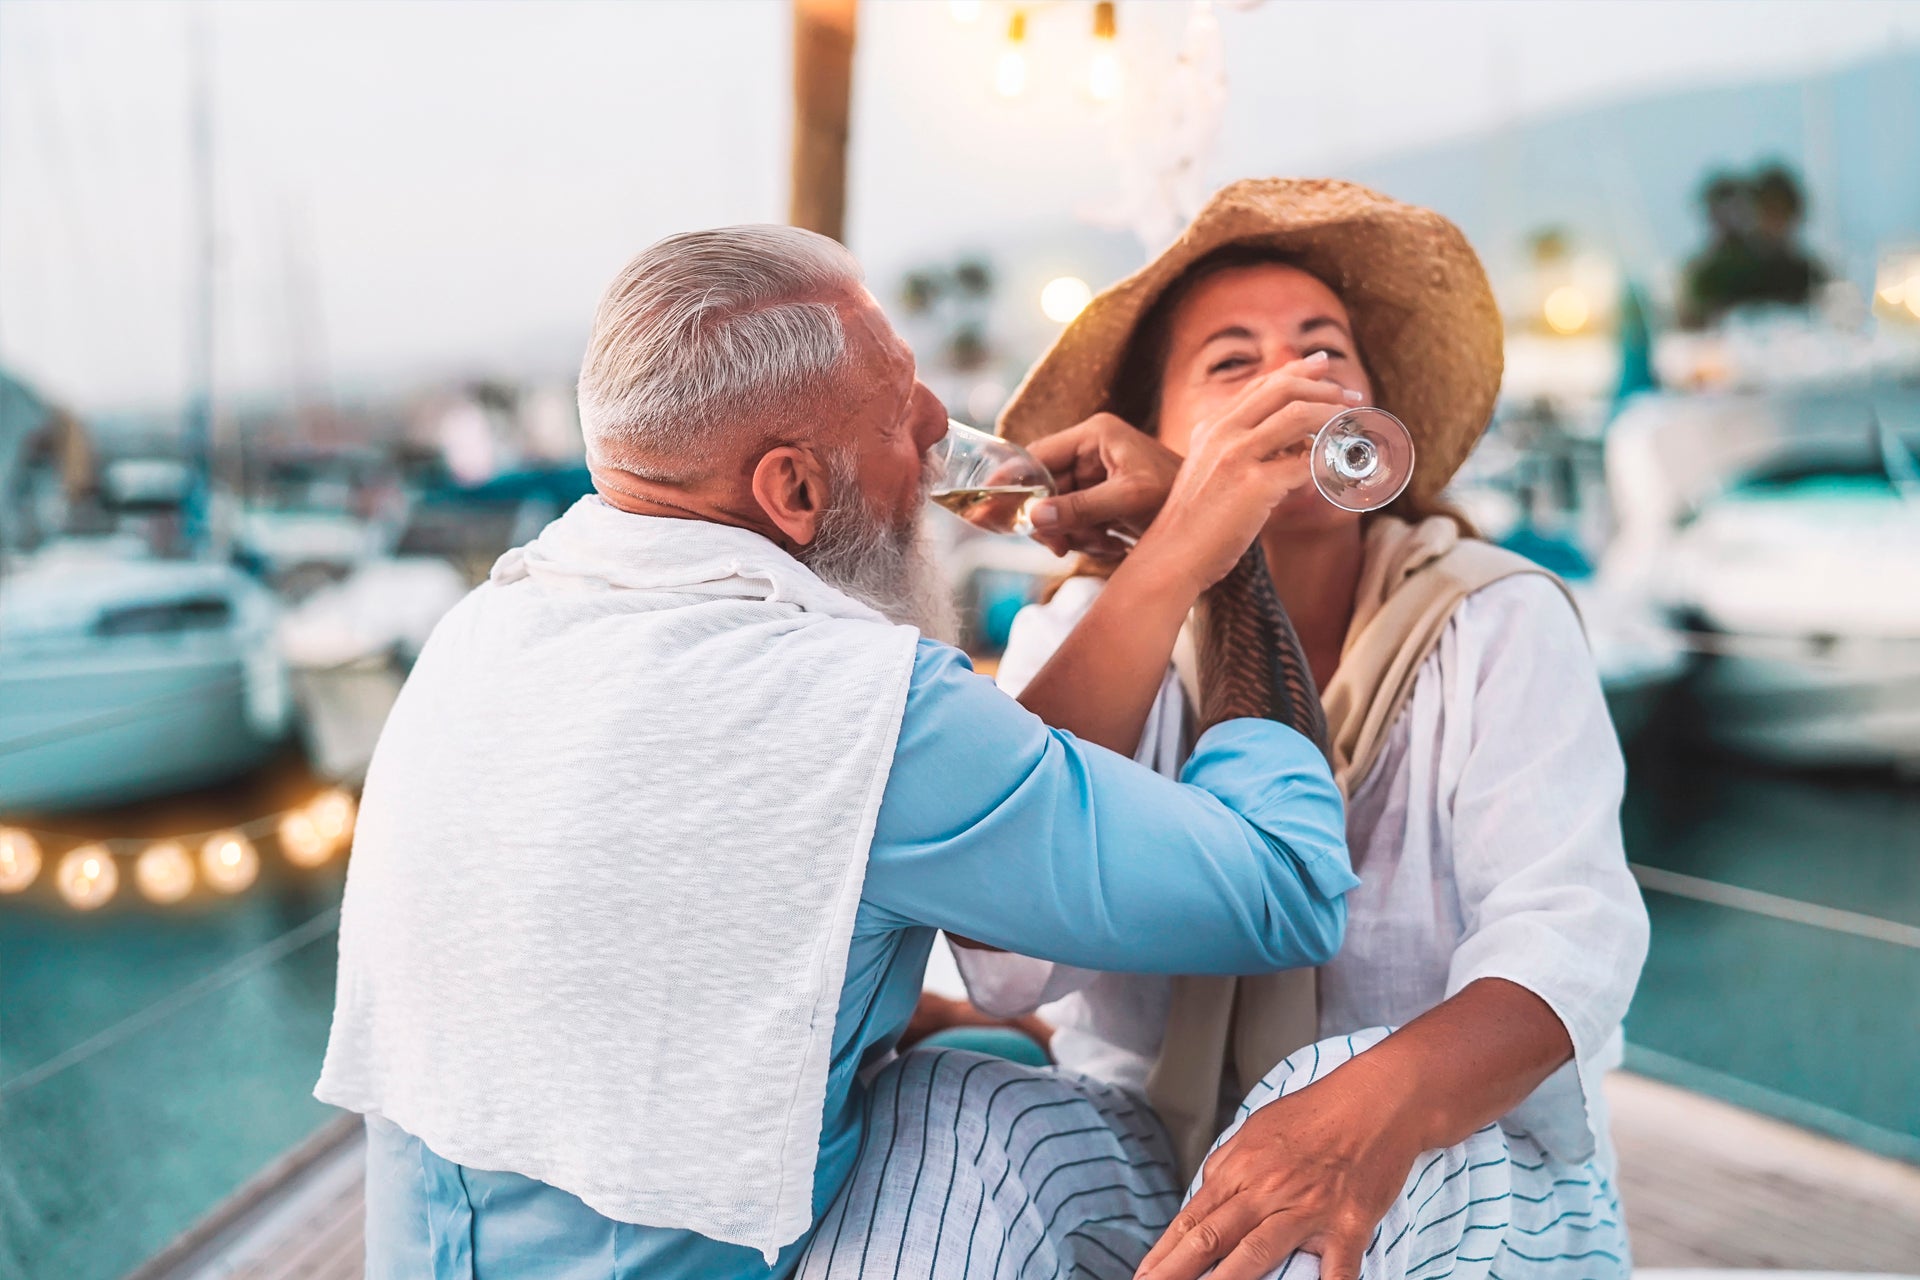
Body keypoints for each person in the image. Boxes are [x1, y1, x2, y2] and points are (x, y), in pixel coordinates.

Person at [314, 224, 1356, 1280]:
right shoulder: (860, 703)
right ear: (795, 493)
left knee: (967, 1045)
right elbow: (1289, 883)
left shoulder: (488, 626)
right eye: (902, 411)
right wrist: (1226, 557)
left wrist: (1165, 560)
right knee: (1003, 1107)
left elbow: (985, 783)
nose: (943, 423)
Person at [807, 179, 1649, 1280]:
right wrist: (1182, 557)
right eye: (1233, 362)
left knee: (1319, 1119)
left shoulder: (1496, 615)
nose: (1295, 380)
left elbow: (1571, 939)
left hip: (1446, 1152)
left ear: (1371, 415)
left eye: (1325, 350)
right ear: (1156, 442)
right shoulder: (1081, 629)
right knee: (948, 1106)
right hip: (1162, 1155)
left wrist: (1353, 1113)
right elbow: (1009, 963)